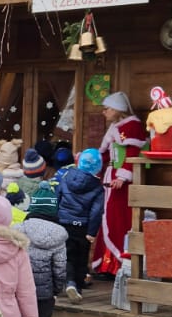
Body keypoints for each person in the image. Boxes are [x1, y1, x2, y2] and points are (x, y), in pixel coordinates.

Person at [91, 92, 147, 276]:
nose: (104, 112)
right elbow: (106, 154)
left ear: (117, 109)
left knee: (119, 220)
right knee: (109, 218)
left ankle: (120, 265)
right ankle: (107, 265)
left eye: (107, 109)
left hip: (122, 183)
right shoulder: (115, 126)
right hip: (112, 180)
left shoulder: (132, 126)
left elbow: (132, 153)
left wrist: (122, 177)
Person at [19, 182, 69, 317]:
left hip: (20, 288)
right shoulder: (58, 236)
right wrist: (57, 289)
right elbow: (60, 267)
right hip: (44, 292)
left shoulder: (18, 230)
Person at [57, 149, 105, 300]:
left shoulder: (66, 177)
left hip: (64, 223)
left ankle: (69, 282)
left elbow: (58, 197)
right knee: (81, 258)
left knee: (67, 255)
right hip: (83, 226)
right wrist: (92, 232)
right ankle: (77, 288)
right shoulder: (97, 187)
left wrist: (56, 218)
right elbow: (96, 211)